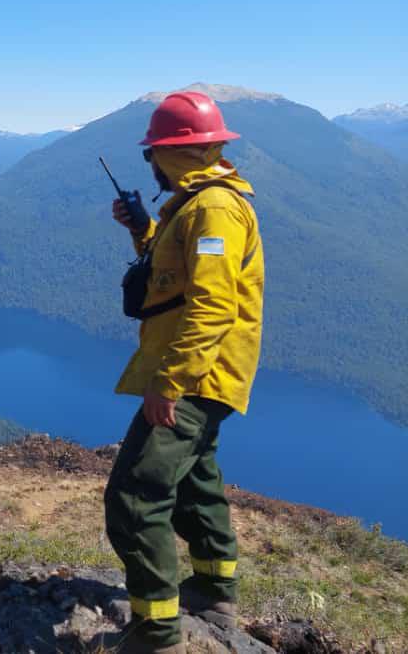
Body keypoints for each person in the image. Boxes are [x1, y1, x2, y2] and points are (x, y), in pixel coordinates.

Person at [104, 91, 265, 654]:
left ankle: (158, 634)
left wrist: (169, 381)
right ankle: (215, 589)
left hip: (195, 373)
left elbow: (213, 305)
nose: (151, 165)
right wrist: (143, 229)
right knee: (195, 480)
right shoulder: (194, 205)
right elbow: (175, 275)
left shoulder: (213, 209)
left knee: (135, 498)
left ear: (171, 153)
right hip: (204, 369)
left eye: (154, 154)